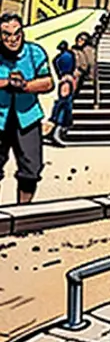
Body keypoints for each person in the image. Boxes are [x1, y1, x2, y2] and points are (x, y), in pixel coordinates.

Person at [0, 13, 53, 203]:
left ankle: (23, 212)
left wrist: (25, 86)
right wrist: (7, 83)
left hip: (28, 117)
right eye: (6, 35)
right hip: (0, 118)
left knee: (31, 168)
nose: (12, 40)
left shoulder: (35, 52)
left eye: (17, 34)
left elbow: (48, 82)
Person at [46, 41, 76, 147]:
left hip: (64, 78)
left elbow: (54, 62)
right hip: (67, 78)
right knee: (65, 103)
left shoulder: (59, 57)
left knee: (64, 102)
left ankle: (57, 130)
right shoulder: (70, 55)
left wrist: (60, 74)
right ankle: (57, 131)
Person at [71, 32, 96, 108]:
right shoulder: (75, 49)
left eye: (82, 39)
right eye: (79, 38)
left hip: (83, 74)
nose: (80, 40)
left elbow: (88, 64)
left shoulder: (87, 50)